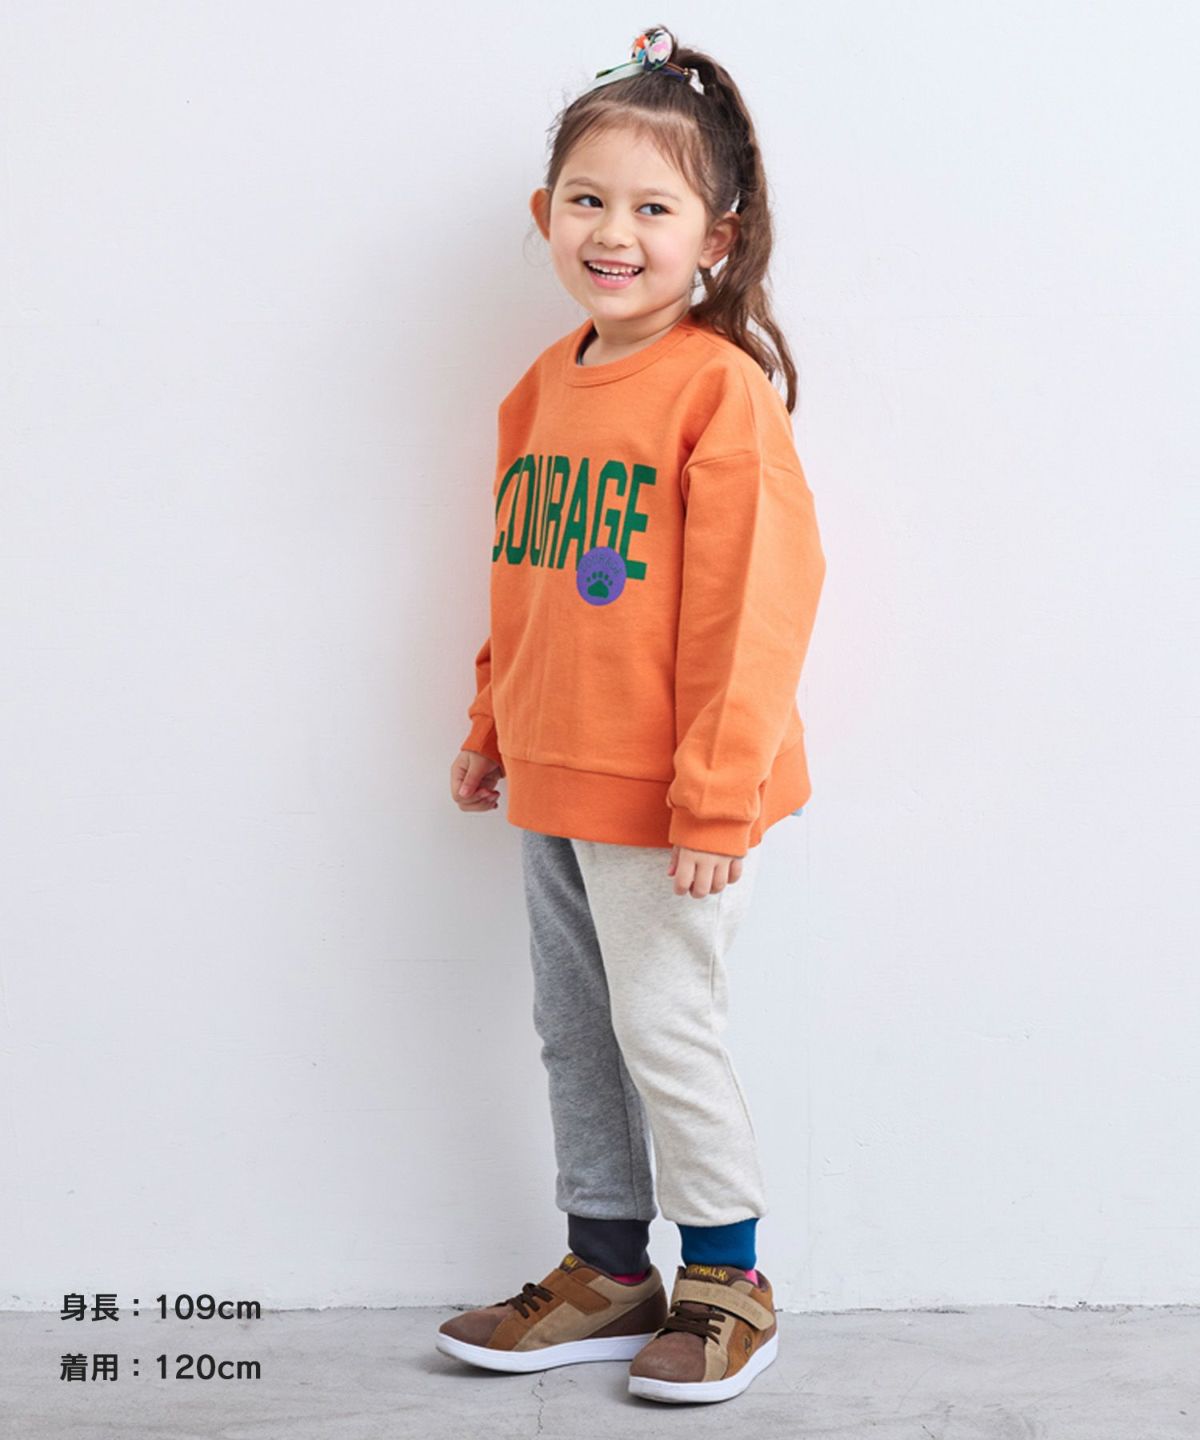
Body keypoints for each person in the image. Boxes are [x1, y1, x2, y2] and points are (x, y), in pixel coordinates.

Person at [437, 26, 826, 1405]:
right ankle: (608, 1270)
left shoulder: (719, 392)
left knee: (666, 1027)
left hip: (670, 796)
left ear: (715, 237)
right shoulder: (544, 383)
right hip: (556, 772)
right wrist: (492, 721)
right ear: (546, 212)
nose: (615, 233)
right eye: (589, 201)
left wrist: (717, 797)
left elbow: (754, 609)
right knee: (578, 1031)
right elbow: (526, 573)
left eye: (653, 208)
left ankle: (729, 1280)